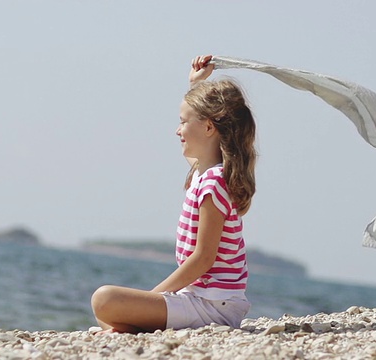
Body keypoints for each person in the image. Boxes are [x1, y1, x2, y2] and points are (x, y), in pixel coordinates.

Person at [90, 55, 257, 333]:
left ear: (207, 127)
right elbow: (199, 152)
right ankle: (132, 329)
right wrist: (195, 84)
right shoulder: (205, 173)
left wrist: (156, 297)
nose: (177, 130)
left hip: (214, 306)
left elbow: (204, 258)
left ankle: (134, 328)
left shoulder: (215, 183)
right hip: (199, 300)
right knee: (109, 311)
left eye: (183, 122)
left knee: (105, 299)